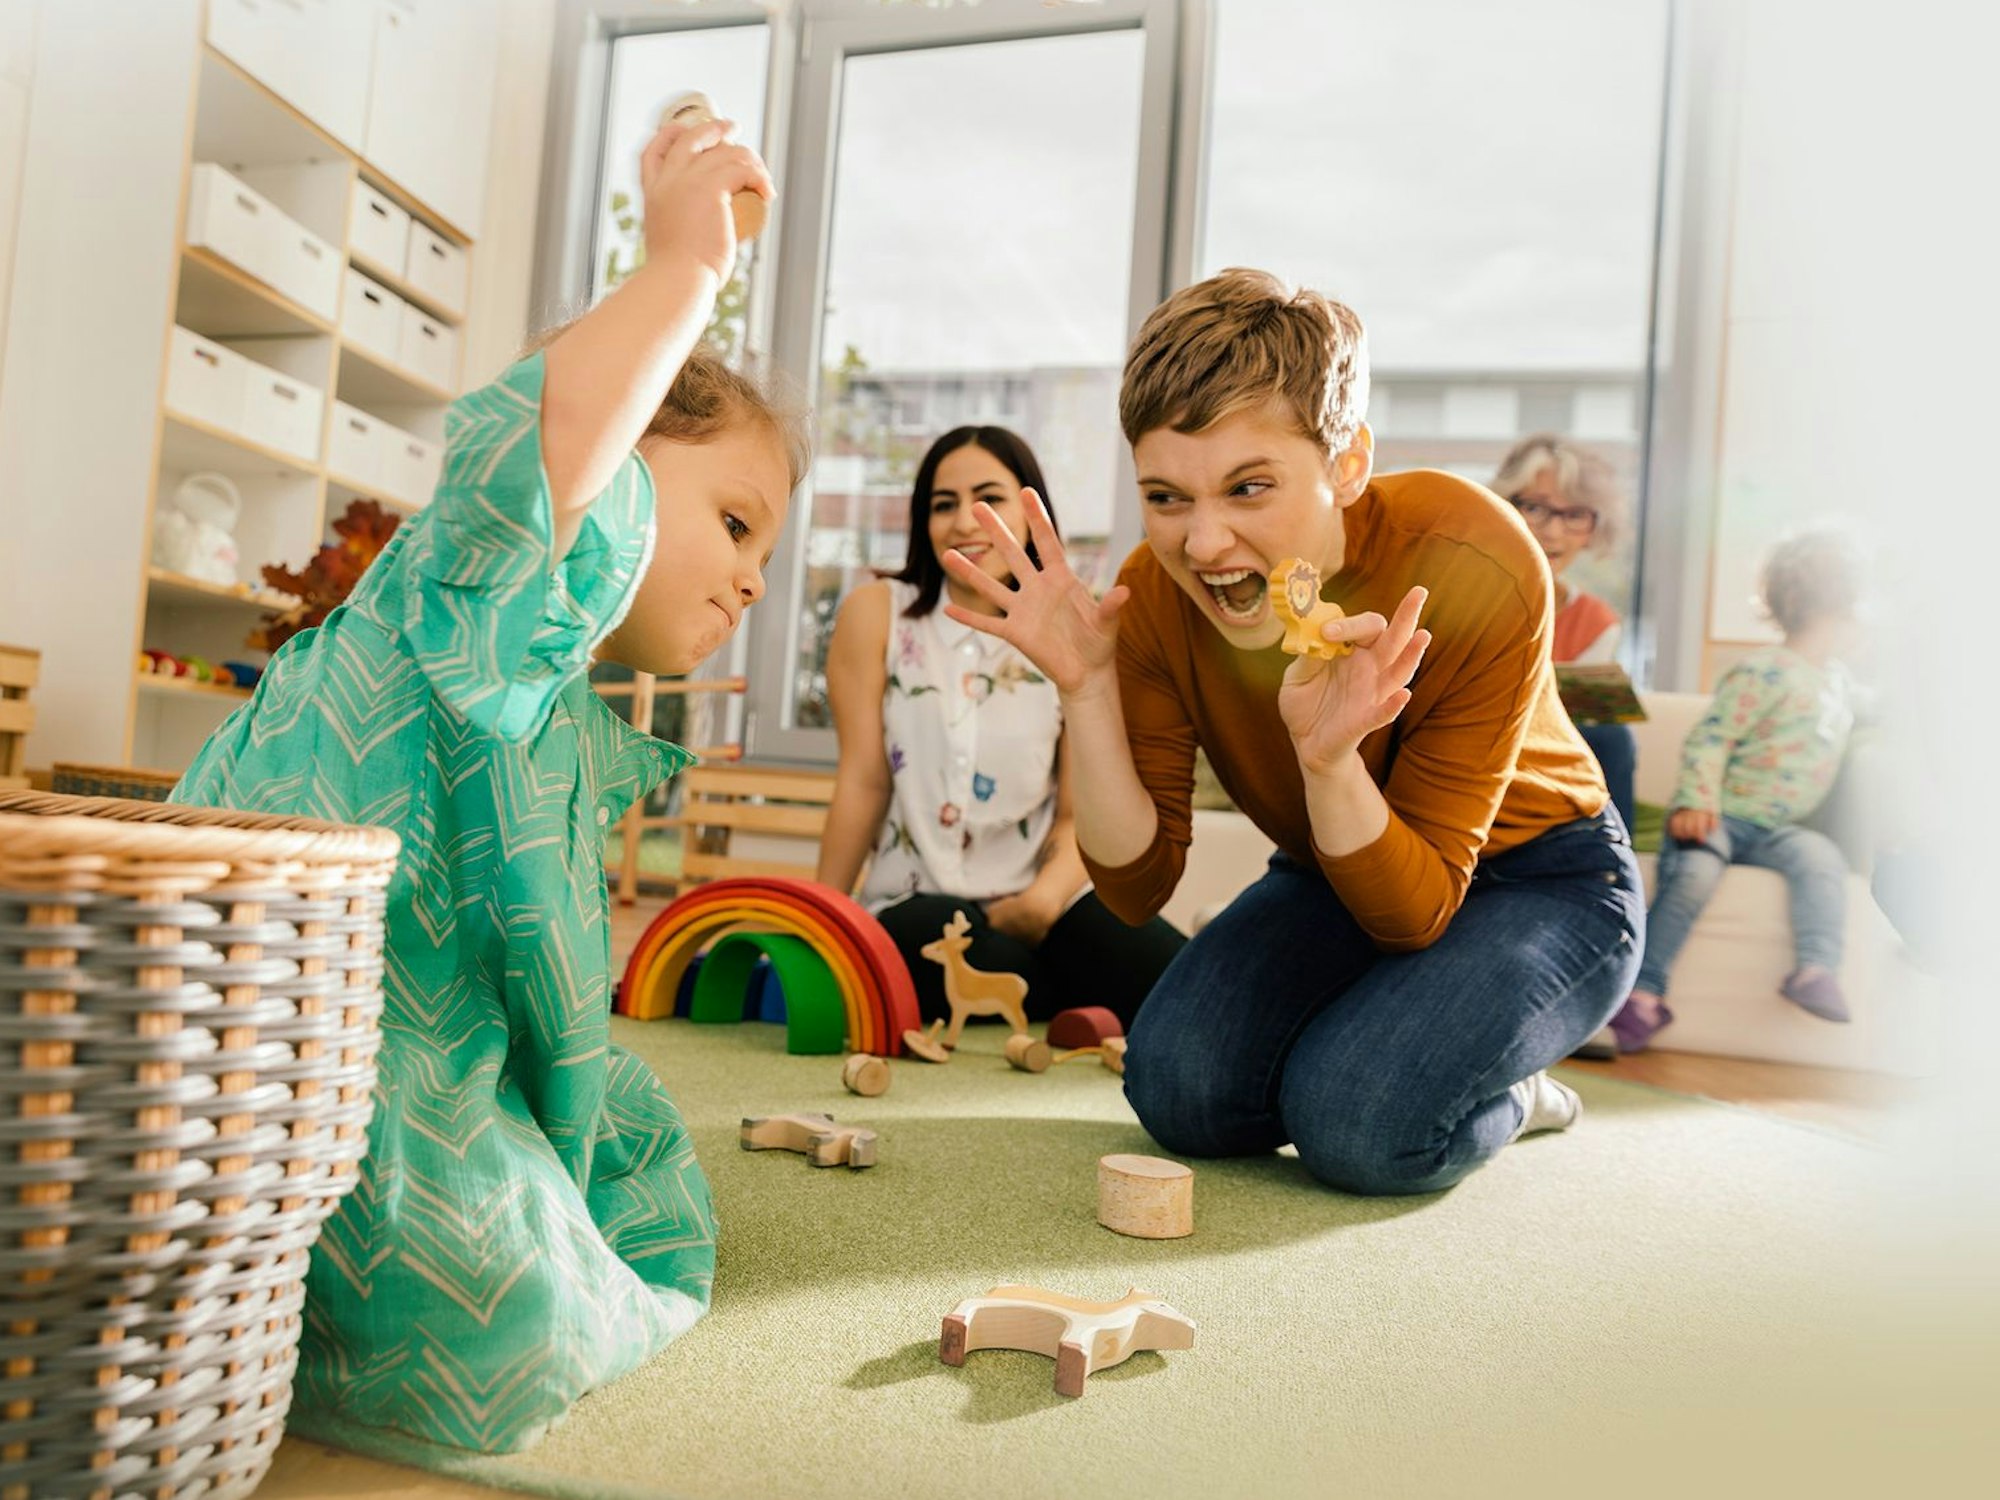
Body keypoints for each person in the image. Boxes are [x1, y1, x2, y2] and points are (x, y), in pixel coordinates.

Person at [174, 113, 797, 1451]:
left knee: (624, 1164)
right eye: (736, 522)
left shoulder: (538, 679)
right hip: (303, 1070)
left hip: (398, 1058)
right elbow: (553, 454)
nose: (752, 578)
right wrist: (685, 269)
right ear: (633, 456)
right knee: (516, 1309)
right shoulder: (483, 575)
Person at [941, 268, 1643, 1197]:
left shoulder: (1478, 558)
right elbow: (1133, 884)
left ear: (1347, 465)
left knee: (1359, 1124)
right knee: (1179, 1091)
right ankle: (1409, 1046)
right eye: (1167, 497)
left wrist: (1329, 758)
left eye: (1249, 487)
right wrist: (1088, 688)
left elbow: (1419, 908)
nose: (1202, 543)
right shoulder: (1153, 598)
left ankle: (1509, 1088)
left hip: (1543, 880)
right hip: (1329, 871)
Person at [816, 426, 1185, 1029]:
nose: (964, 520)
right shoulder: (877, 613)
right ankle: (1070, 1004)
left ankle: (1057, 996)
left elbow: (1077, 814)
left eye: (988, 499)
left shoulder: (1081, 629)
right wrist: (824, 921)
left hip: (1039, 907)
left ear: (1028, 508)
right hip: (917, 906)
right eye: (943, 504)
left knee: (1177, 974)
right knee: (933, 936)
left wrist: (1042, 901)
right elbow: (863, 781)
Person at [1605, 528, 1862, 1053]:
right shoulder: (1764, 672)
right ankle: (1642, 993)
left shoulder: (1840, 685)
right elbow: (1711, 738)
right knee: (1693, 876)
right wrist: (1698, 800)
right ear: (1844, 611)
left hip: (1779, 830)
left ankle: (1816, 968)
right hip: (1719, 816)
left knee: (1822, 859)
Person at [1491, 435, 1638, 830]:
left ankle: (1614, 863)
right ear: (1506, 507)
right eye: (1535, 507)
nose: (1552, 531)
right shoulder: (1466, 592)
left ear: (1593, 529)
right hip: (1472, 752)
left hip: (1542, 764)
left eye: (1573, 514)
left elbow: (1587, 736)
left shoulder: (1597, 621)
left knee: (1614, 735)